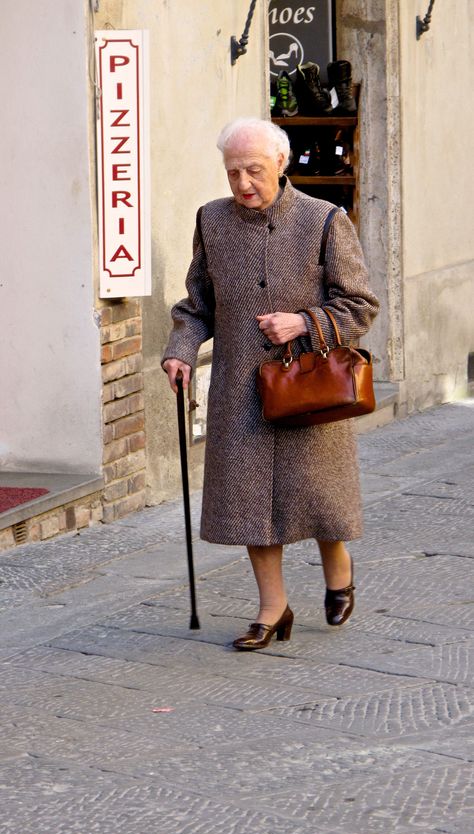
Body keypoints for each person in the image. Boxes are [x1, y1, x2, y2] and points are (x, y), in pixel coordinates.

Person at [162, 117, 379, 650]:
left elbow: (360, 305)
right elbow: (197, 306)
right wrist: (180, 352)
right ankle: (272, 608)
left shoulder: (325, 220)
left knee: (320, 500)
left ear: (281, 164)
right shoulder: (211, 221)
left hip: (311, 387)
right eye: (232, 172)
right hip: (241, 390)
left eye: (253, 171)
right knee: (250, 507)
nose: (242, 184)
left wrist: (304, 322)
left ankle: (338, 567)